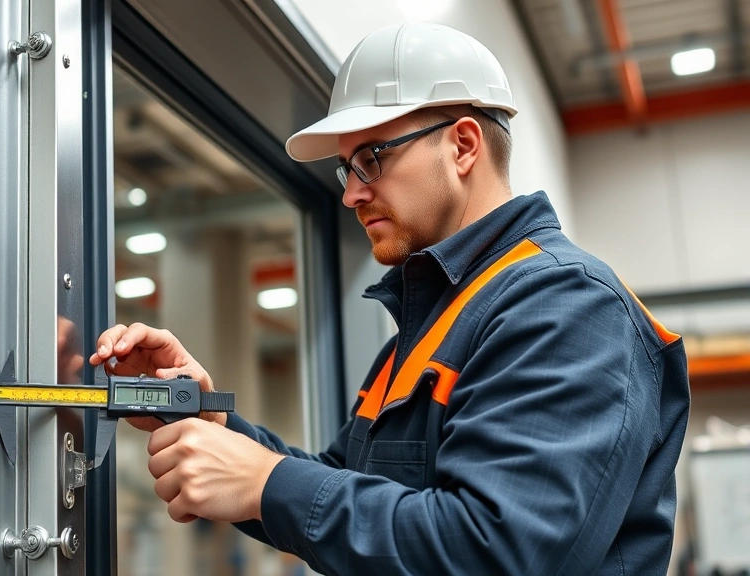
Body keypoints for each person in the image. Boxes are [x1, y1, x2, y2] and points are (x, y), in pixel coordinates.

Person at [86, 22, 690, 575]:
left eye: (372, 158)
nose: (351, 194)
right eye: (346, 169)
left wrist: (266, 482)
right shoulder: (433, 325)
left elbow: (500, 552)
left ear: (462, 146)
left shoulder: (565, 305)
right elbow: (343, 490)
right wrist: (211, 420)